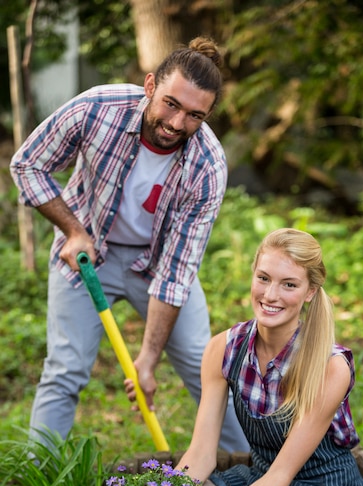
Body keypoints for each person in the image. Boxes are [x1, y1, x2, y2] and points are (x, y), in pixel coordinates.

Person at [9, 36, 249, 453]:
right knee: (65, 369)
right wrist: (72, 229)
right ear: (151, 85)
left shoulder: (207, 167)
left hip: (158, 264)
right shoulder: (98, 109)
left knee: (204, 366)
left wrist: (148, 358)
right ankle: (37, 482)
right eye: (171, 104)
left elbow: (176, 274)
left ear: (208, 114)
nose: (176, 124)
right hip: (87, 254)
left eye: (194, 115)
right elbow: (28, 163)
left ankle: (247, 468)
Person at [127, 228, 363, 486]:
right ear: (253, 275)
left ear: (310, 291)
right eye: (264, 278)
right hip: (264, 477)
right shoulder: (224, 349)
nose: (271, 295)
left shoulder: (330, 366)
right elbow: (202, 452)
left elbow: (282, 474)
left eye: (289, 284)